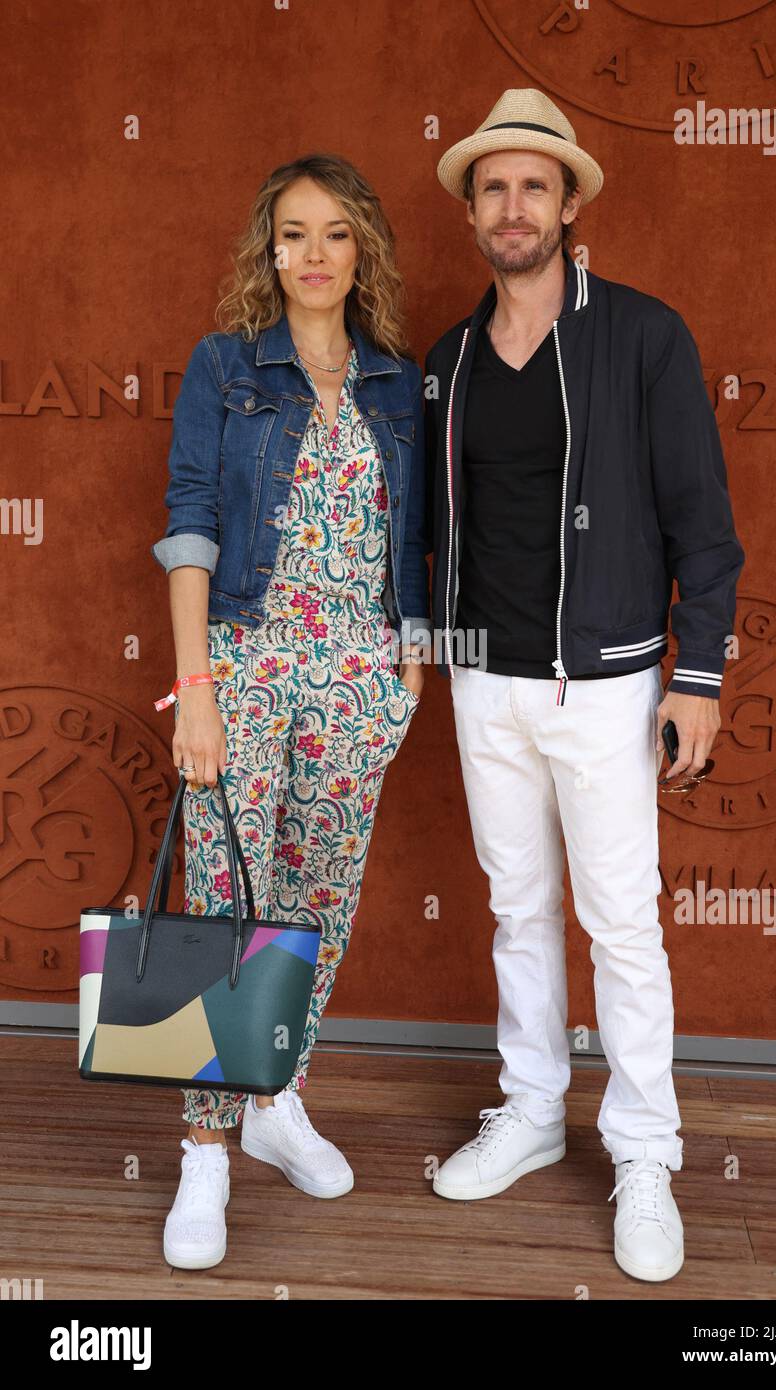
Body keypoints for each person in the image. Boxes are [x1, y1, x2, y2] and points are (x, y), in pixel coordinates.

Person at [422, 89, 745, 1282]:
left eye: (534, 186)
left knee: (621, 925)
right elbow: (433, 533)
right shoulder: (447, 358)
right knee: (517, 909)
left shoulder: (645, 337)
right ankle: (529, 1110)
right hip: (482, 682)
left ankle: (646, 1152)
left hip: (606, 683)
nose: (514, 206)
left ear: (567, 205)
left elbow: (702, 528)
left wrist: (695, 672)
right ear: (473, 211)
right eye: (493, 187)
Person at [150, 154, 431, 1270]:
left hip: (358, 678)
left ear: (362, 253)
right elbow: (189, 528)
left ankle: (278, 1097)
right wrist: (196, 689)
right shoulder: (226, 367)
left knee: (319, 900)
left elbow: (416, 538)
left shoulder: (397, 385)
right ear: (268, 252)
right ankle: (205, 1151)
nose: (312, 256)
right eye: (292, 234)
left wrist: (410, 669)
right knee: (228, 900)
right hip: (246, 661)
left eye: (335, 235)